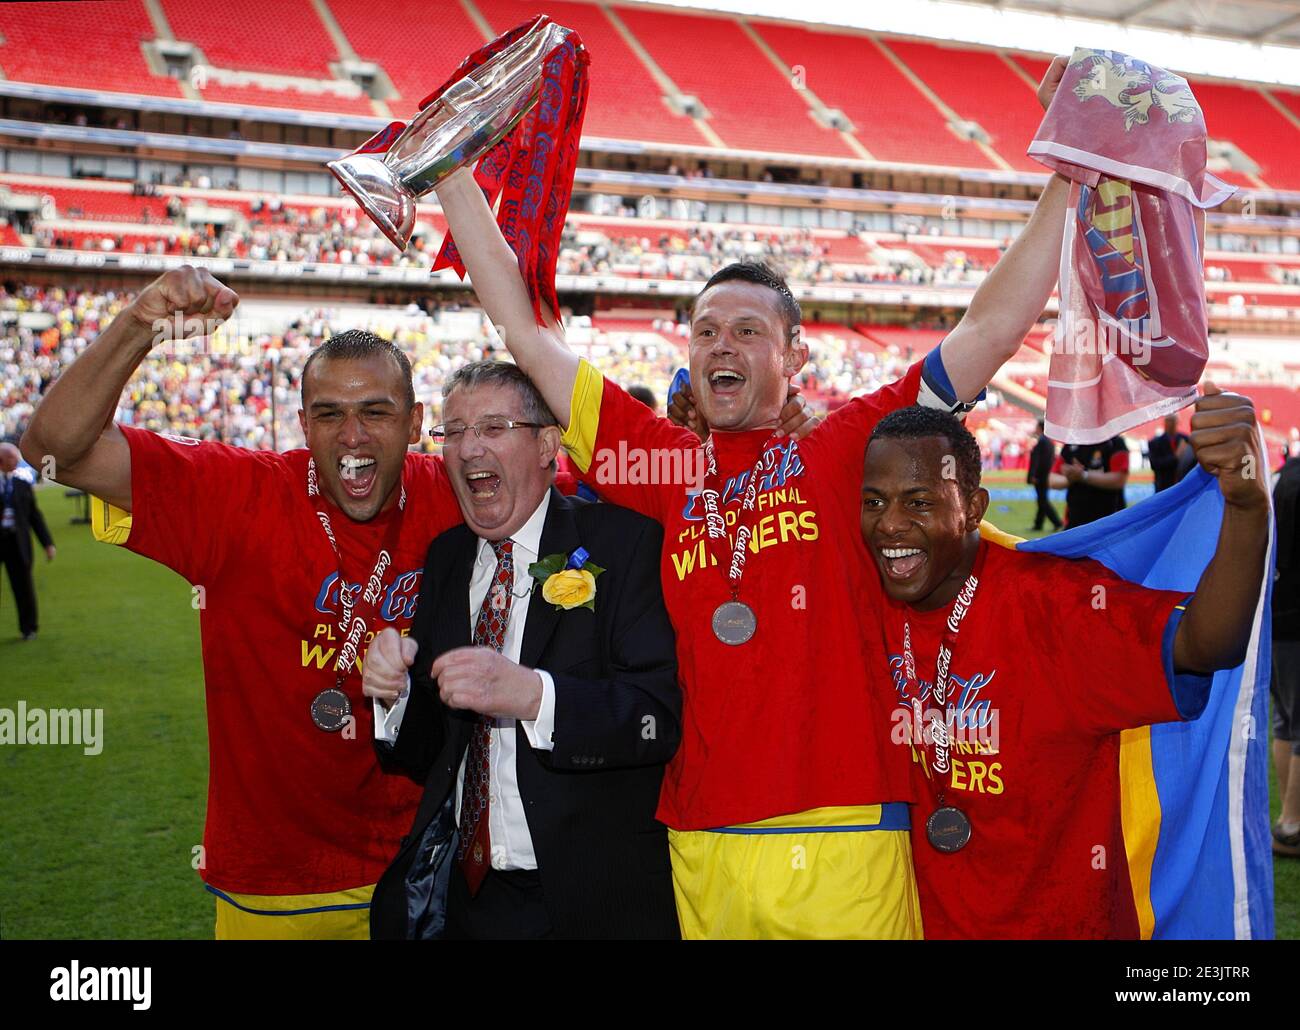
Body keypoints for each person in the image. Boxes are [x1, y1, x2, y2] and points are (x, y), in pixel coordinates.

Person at [429, 57, 1074, 939]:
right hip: (701, 840)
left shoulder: (851, 450)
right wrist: (455, 171)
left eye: (747, 329)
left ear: (793, 357)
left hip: (843, 831)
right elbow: (526, 336)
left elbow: (988, 330)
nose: (719, 343)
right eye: (703, 330)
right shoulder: (661, 467)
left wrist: (1069, 174)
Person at [19, 267, 467, 939]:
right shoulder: (238, 496)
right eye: (329, 414)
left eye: (376, 411)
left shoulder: (461, 493)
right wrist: (141, 323)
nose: (352, 436)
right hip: (276, 889)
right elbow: (53, 452)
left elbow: (576, 482)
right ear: (302, 425)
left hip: (423, 870)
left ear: (415, 424)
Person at [858, 388, 1268, 937]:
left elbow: (1205, 643)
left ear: (973, 509)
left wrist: (1246, 507)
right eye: (874, 501)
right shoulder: (864, 601)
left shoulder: (1054, 604)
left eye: (919, 501)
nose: (890, 524)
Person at [362, 361, 682, 938]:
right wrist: (397, 694)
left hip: (594, 902)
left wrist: (536, 697)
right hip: (474, 901)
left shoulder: (623, 543)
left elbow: (655, 715)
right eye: (453, 432)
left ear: (547, 444)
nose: (467, 449)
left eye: (492, 427)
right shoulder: (447, 559)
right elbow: (429, 748)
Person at [1272, 451, 1300, 858]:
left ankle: (1288, 817)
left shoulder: (1281, 474)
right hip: (1295, 614)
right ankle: (1292, 824)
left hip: (1273, 612)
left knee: (1285, 720)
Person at [0, 442, 55, 640]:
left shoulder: (21, 484)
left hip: (17, 541)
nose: (17, 462)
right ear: (2, 461)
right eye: (13, 458)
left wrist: (47, 543)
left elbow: (34, 516)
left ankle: (29, 628)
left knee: (23, 586)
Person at [1049, 434, 1129, 527]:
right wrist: (1071, 478)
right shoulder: (1072, 443)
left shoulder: (1115, 442)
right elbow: (1052, 480)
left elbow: (1119, 480)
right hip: (1075, 520)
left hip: (1109, 520)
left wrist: (1083, 475)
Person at [1026, 420, 1060, 532]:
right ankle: (1038, 524)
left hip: (1041, 477)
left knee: (1043, 501)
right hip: (1045, 475)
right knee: (1042, 501)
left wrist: (1033, 476)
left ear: (1040, 428)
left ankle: (1056, 522)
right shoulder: (1049, 442)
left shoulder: (1042, 442)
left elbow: (1037, 461)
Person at [1148, 413, 1191, 492]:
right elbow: (1154, 464)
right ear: (1164, 422)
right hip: (1164, 486)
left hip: (1184, 483)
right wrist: (1175, 457)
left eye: (1173, 420)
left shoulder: (1186, 439)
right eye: (1168, 420)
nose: (1171, 424)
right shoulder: (1155, 443)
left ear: (1177, 422)